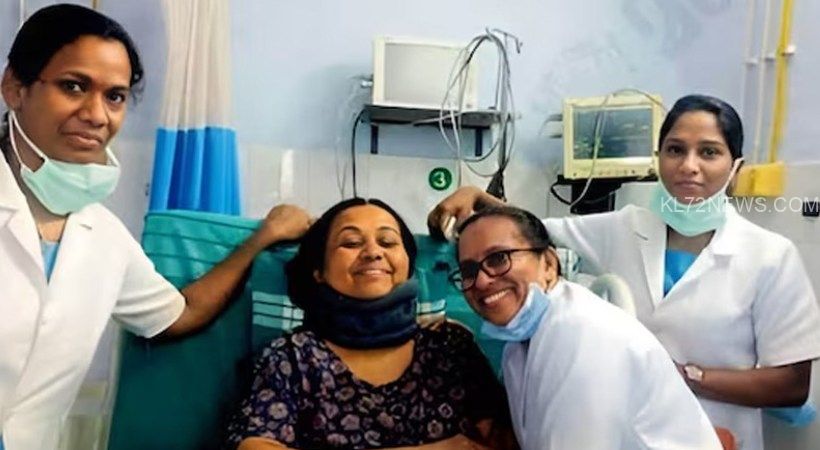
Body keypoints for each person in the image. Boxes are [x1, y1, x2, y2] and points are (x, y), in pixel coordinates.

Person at [429, 94, 820, 450]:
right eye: (675, 150)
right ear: (659, 157)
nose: (689, 166)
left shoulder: (770, 255)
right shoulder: (624, 227)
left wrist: (680, 376)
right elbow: (528, 235)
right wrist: (477, 198)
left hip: (721, 436)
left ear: (735, 167)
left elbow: (791, 386)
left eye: (709, 152)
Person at [0, 5, 311, 450]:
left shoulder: (103, 238)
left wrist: (261, 238)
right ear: (15, 88)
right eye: (74, 86)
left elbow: (178, 315)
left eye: (115, 96)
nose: (96, 114)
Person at [225, 198, 515, 450]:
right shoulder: (293, 358)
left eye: (387, 242)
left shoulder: (450, 347)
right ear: (318, 271)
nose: (373, 252)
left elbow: (506, 441)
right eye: (351, 243)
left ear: (408, 265)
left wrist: (482, 201)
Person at [451, 204, 722, 449]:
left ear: (548, 264)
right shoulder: (520, 343)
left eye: (498, 258)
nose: (482, 281)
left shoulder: (581, 336)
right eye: (469, 271)